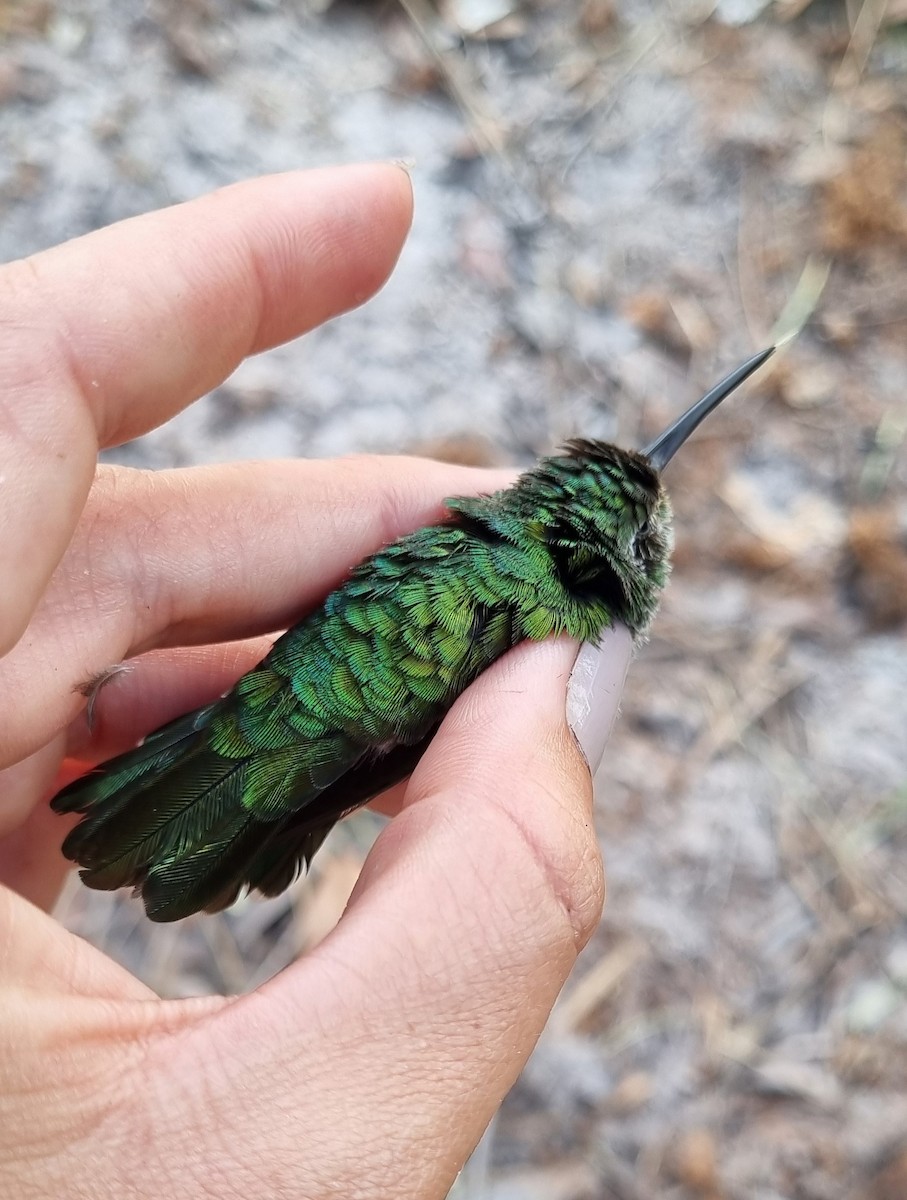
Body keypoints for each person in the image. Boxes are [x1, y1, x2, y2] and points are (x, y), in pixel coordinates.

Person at [0, 163, 630, 1199]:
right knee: (274, 760)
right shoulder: (546, 599)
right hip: (314, 709)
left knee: (282, 761)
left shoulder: (502, 554)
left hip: (325, 703)